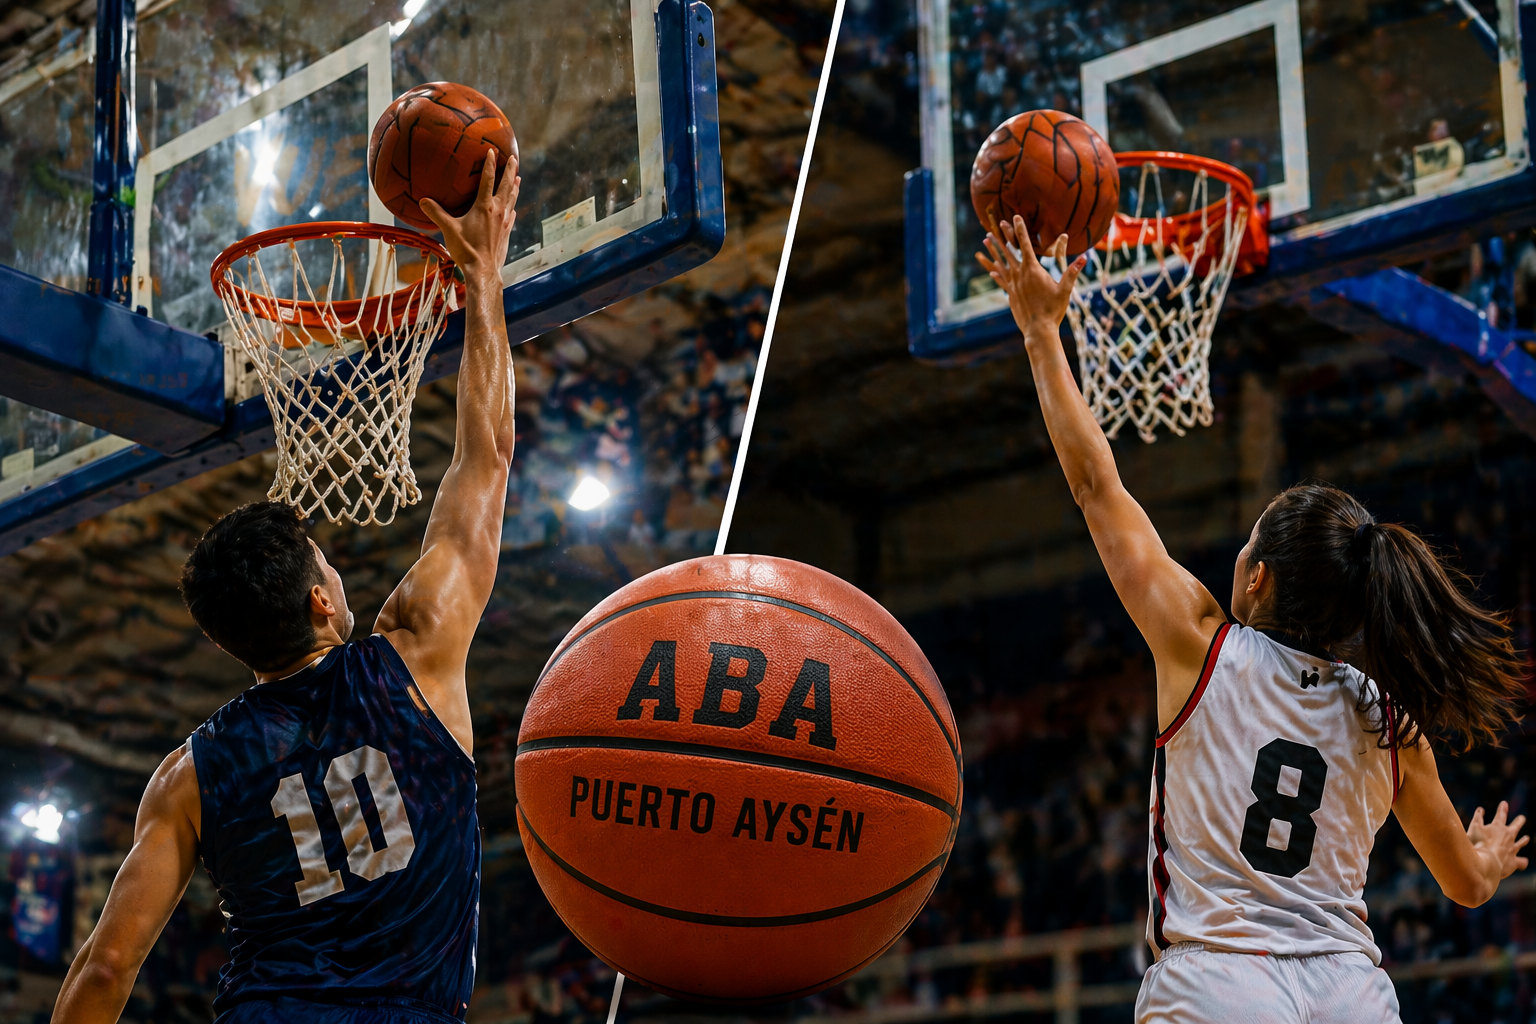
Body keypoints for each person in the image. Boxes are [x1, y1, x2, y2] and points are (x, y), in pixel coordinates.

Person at [976, 218, 1529, 1024]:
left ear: (1257, 576)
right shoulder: (1388, 717)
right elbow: (1467, 887)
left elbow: (1098, 487)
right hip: (1352, 989)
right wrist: (1489, 854)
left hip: (1218, 980)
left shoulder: (1199, 645)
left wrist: (1039, 331)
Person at [53, 152, 521, 1024]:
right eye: (328, 566)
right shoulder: (414, 655)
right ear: (319, 601)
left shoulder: (188, 774)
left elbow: (105, 970)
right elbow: (484, 462)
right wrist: (482, 276)